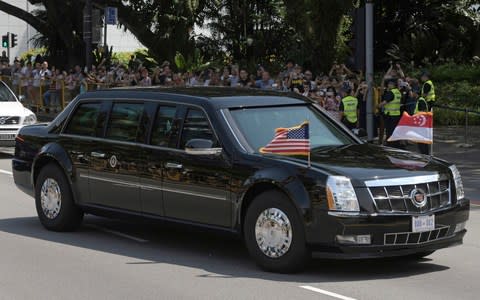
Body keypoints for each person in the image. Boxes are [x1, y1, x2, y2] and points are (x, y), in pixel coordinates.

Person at [379, 79, 402, 147]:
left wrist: (378, 105)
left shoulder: (391, 92)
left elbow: (384, 102)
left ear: (392, 85)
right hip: (397, 114)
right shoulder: (398, 92)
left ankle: (390, 145)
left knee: (389, 132)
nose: (388, 85)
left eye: (389, 84)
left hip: (390, 115)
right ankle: (396, 144)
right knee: (395, 131)